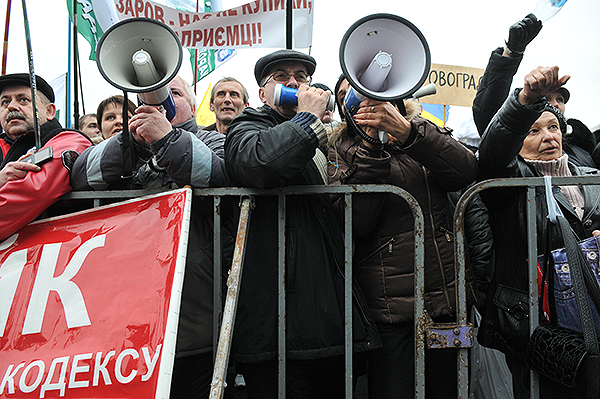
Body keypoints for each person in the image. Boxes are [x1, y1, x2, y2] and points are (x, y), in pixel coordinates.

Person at [224, 49, 380, 399]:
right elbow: (259, 162)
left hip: (327, 322)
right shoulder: (247, 126)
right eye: (281, 77)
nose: (294, 82)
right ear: (262, 93)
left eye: (301, 76)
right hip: (280, 327)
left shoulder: (319, 138)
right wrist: (307, 118)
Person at [71, 75, 232, 399]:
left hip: (196, 320)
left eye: (173, 93)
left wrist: (167, 139)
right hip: (129, 326)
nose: (161, 101)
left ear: (191, 103)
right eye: (152, 97)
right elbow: (80, 176)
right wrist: (131, 143)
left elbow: (218, 174)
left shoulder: (213, 139)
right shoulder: (126, 145)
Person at [327, 79, 480, 399]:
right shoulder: (343, 149)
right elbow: (360, 221)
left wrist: (409, 133)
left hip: (444, 301)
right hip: (389, 309)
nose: (360, 101)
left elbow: (465, 171)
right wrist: (372, 147)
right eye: (347, 95)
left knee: (446, 389)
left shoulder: (421, 131)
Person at [477, 65, 600, 398]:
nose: (548, 137)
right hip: (541, 331)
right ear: (517, 141)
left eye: (553, 127)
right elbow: (492, 152)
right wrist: (526, 100)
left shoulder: (592, 177)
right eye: (532, 131)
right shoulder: (509, 183)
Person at [472, 13, 597, 168]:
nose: (555, 105)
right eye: (533, 131)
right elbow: (492, 120)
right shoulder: (514, 163)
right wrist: (511, 54)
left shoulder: (583, 153)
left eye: (560, 100)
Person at [0, 73, 92, 242]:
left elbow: (30, 192)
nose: (11, 106)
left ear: (49, 111)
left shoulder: (69, 140)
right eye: (5, 102)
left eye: (23, 100)